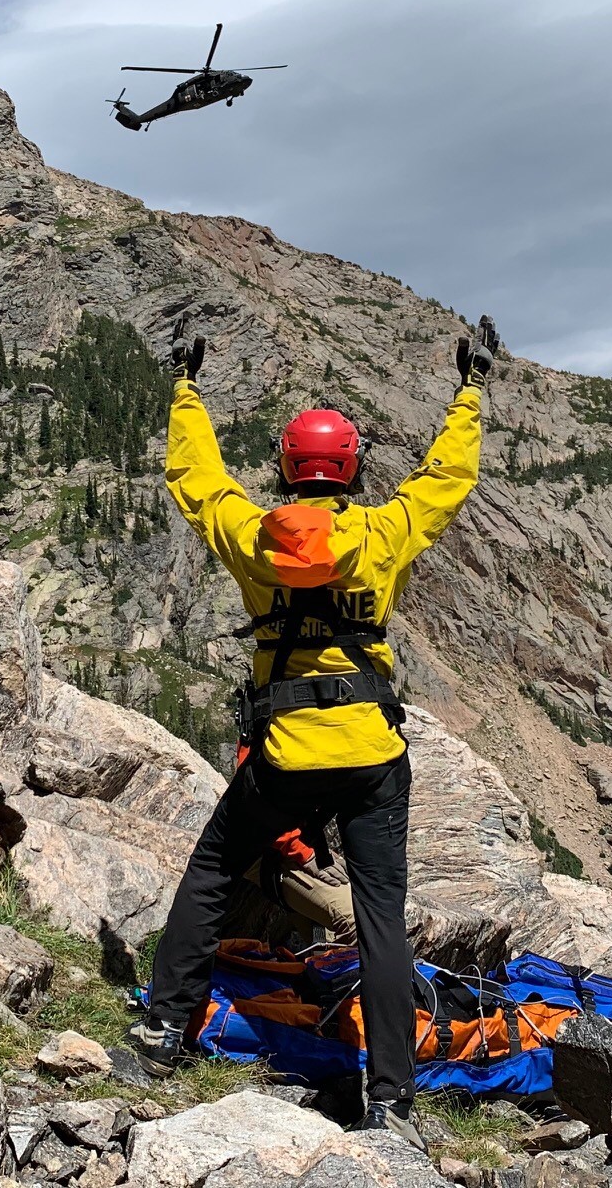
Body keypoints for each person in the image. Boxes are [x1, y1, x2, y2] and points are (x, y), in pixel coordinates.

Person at [129, 315, 500, 1145]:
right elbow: (448, 478)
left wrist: (186, 390)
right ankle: (393, 1101)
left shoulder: (256, 539)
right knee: (379, 917)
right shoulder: (383, 533)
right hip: (372, 754)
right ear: (353, 468)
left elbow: (197, 479)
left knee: (215, 870)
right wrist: (469, 389)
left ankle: (160, 1037)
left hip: (284, 757)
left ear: (289, 470)